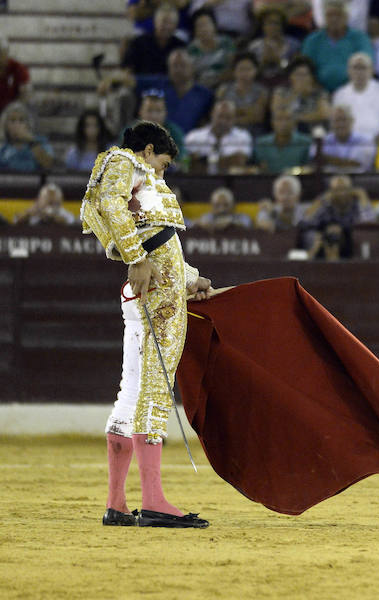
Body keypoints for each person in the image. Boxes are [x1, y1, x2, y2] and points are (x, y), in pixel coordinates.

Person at [80, 120, 211, 528]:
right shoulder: (125, 161)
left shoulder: (131, 175)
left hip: (154, 288)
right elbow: (112, 209)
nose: (162, 172)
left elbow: (155, 239)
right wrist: (135, 258)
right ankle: (153, 500)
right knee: (154, 389)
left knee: (131, 393)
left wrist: (191, 278)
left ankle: (117, 503)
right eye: (164, 163)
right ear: (150, 150)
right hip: (157, 295)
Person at [300, 0, 374, 93]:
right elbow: (305, 67)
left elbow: (367, 64)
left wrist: (347, 90)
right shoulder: (313, 40)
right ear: (324, 17)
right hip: (318, 91)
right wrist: (317, 88)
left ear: (346, 17)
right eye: (330, 15)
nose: (334, 19)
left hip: (353, 89)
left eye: (338, 15)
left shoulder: (360, 38)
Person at [302, 174, 375, 257]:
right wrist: (320, 201)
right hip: (325, 243)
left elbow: (369, 223)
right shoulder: (326, 203)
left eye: (344, 189)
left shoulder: (357, 203)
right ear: (331, 192)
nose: (341, 194)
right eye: (337, 190)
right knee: (320, 234)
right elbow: (306, 222)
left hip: (352, 243)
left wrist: (363, 198)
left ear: (351, 190)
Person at [332, 52, 379, 140]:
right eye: (355, 68)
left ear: (372, 70)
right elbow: (337, 125)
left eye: (363, 68)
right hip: (349, 143)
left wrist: (374, 142)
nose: (359, 72)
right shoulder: (340, 94)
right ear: (348, 71)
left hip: (378, 141)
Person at [184, 99, 253, 173]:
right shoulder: (194, 136)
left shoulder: (243, 136)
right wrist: (227, 161)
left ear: (234, 119)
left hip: (231, 181)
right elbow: (190, 163)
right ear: (212, 114)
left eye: (228, 117)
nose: (223, 121)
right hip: (200, 181)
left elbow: (239, 161)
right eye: (220, 116)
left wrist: (203, 160)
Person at [159, 48, 215, 135]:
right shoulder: (159, 87)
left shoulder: (205, 94)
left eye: (182, 65)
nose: (178, 70)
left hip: (193, 141)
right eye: (174, 65)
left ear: (192, 67)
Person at [122, 4, 187, 78]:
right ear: (155, 22)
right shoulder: (138, 42)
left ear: (176, 25)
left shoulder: (180, 46)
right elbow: (126, 70)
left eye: (171, 23)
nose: (167, 26)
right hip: (143, 85)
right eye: (164, 21)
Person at [270, 57, 331, 134]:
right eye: (297, 74)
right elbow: (277, 111)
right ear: (290, 76)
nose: (301, 78)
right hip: (287, 131)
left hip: (312, 131)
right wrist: (296, 94)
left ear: (311, 77)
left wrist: (297, 118)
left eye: (305, 75)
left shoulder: (320, 93)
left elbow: (324, 114)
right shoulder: (281, 92)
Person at [309, 105, 376, 172]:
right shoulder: (324, 140)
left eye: (344, 119)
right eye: (337, 120)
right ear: (331, 123)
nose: (341, 124)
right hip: (328, 180)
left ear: (352, 121)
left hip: (357, 180)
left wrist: (326, 159)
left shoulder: (365, 141)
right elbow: (314, 158)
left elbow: (357, 165)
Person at [216, 52, 269, 134]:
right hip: (228, 132)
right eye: (241, 69)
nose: (244, 74)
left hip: (254, 133)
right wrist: (247, 111)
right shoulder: (223, 90)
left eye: (248, 69)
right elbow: (220, 115)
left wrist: (233, 113)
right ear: (234, 71)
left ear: (255, 71)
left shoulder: (262, 91)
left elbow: (257, 117)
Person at [247, 7, 302, 84]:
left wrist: (279, 62)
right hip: (260, 84)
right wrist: (263, 63)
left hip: (286, 84)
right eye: (269, 23)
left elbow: (297, 70)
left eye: (276, 23)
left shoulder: (293, 45)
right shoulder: (254, 47)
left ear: (282, 26)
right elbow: (249, 72)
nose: (273, 27)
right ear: (263, 26)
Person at [186, 8, 236, 89]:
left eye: (206, 24)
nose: (203, 29)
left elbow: (232, 68)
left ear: (214, 25)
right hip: (201, 89)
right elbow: (191, 76)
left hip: (224, 86)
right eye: (199, 26)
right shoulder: (191, 50)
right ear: (195, 30)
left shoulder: (227, 42)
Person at [0, 102, 54, 171]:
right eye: (12, 121)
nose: (17, 125)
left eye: (21, 120)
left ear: (28, 124)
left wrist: (30, 141)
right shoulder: (3, 148)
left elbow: (48, 165)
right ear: (6, 125)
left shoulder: (40, 141)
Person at [12, 183, 76, 226]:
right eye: (46, 197)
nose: (50, 199)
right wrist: (28, 214)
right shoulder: (33, 210)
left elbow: (71, 223)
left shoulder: (62, 212)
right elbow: (15, 221)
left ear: (59, 200)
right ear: (39, 199)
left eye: (54, 196)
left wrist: (52, 217)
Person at [0, 35, 31, 114]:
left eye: (1, 54)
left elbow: (25, 95)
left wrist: (10, 113)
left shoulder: (18, 69)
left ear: (6, 53)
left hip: (12, 114)